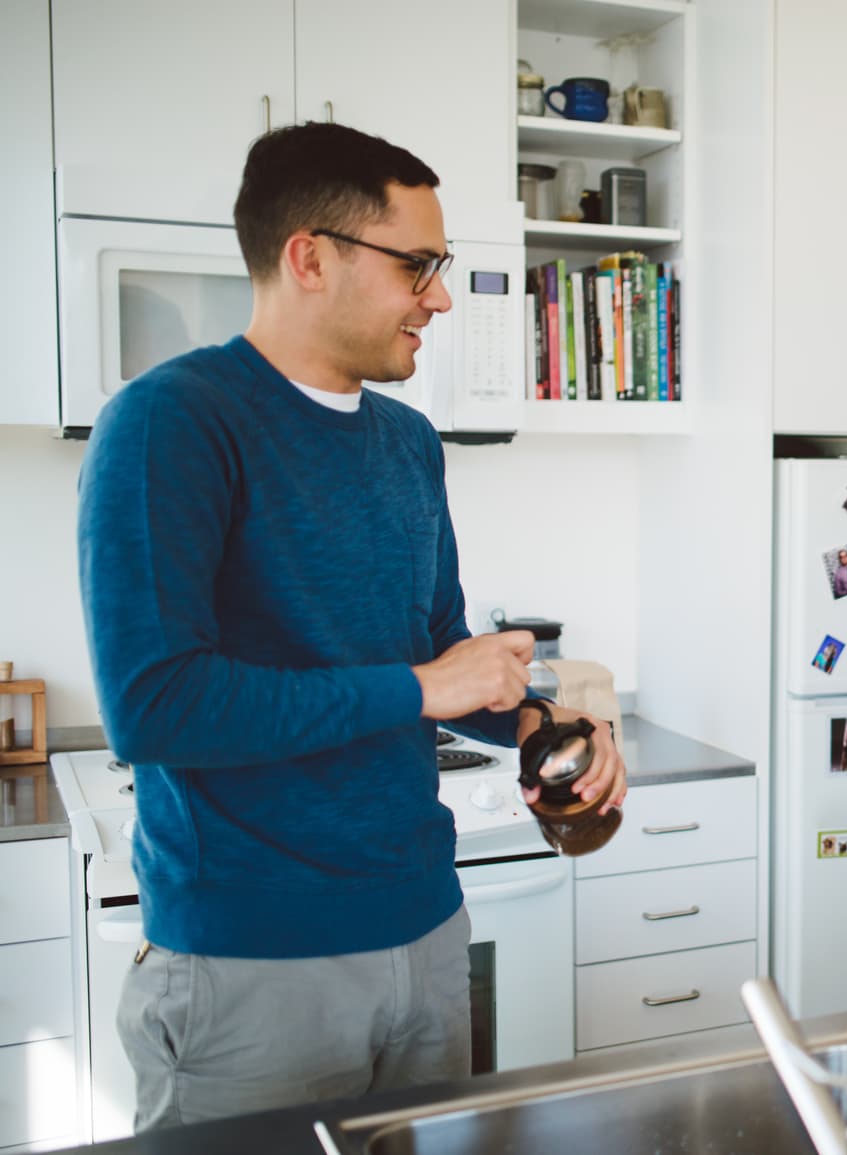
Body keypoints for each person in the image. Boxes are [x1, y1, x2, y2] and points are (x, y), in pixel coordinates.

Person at [75, 122, 627, 1130]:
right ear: (310, 258)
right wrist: (427, 689)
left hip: (424, 933)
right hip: (251, 967)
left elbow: (447, 662)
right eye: (418, 265)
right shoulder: (172, 422)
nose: (444, 296)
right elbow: (156, 707)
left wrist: (547, 730)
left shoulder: (409, 443)